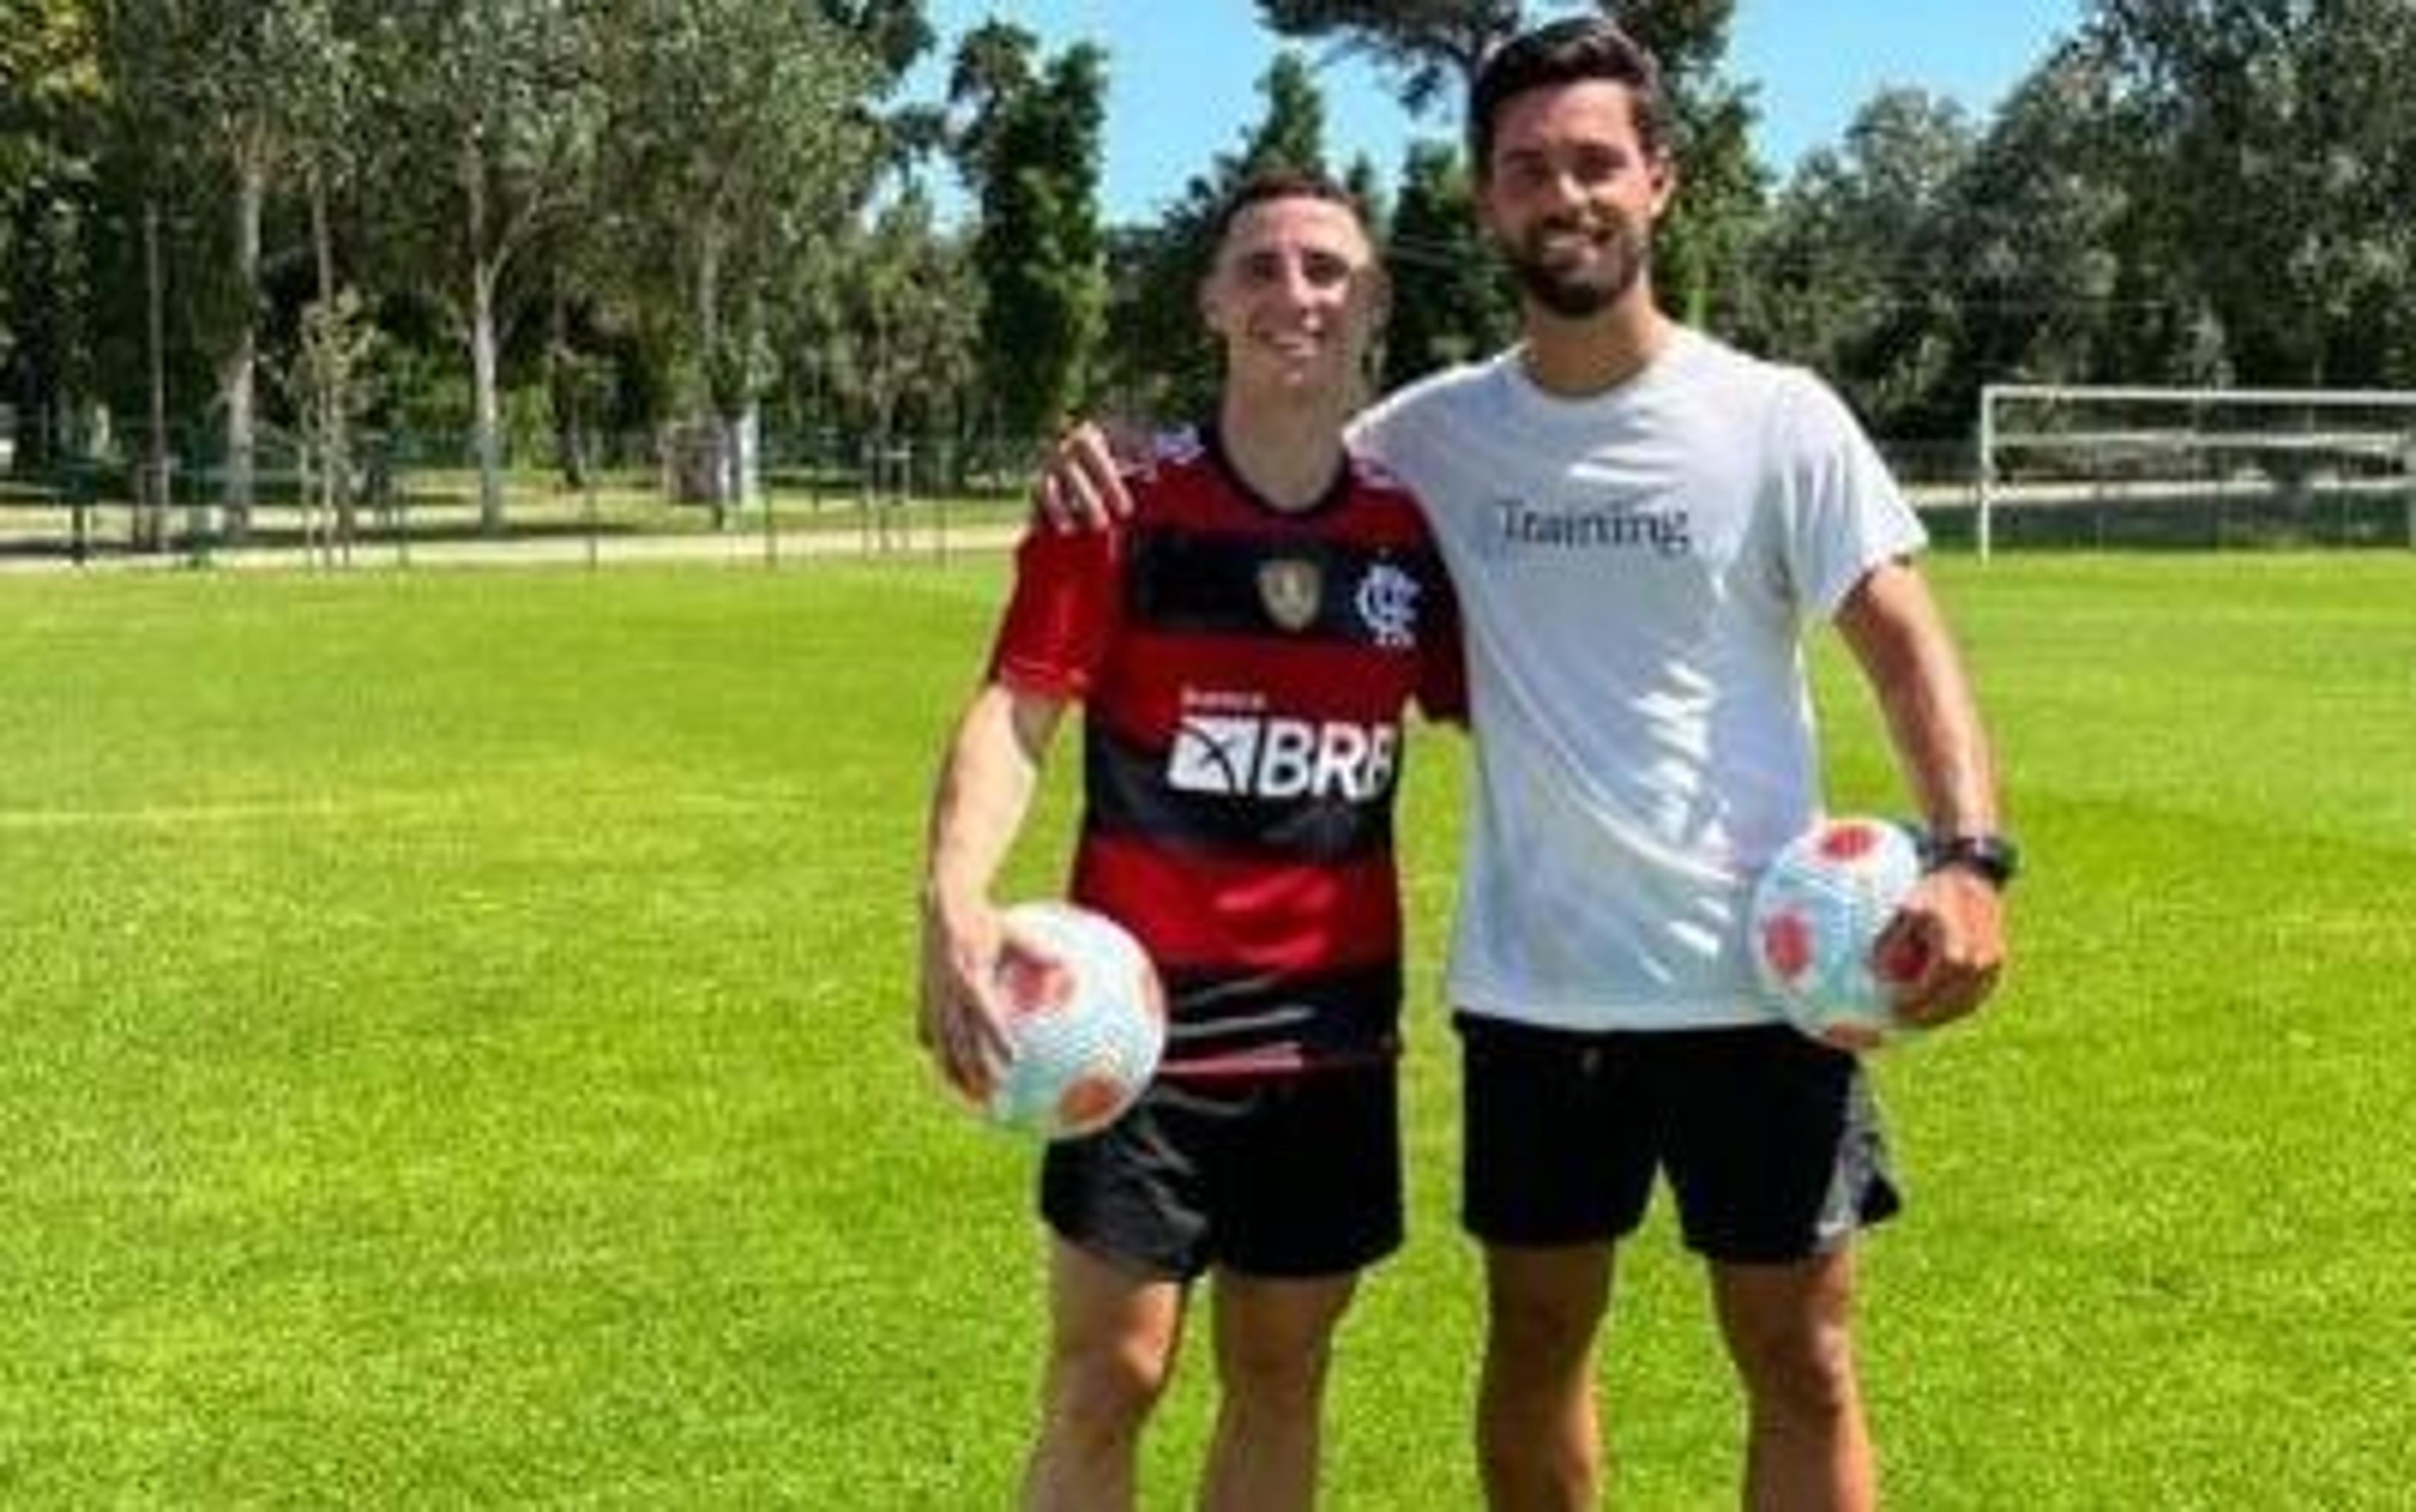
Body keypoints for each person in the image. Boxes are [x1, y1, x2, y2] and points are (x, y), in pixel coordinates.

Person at [1033, 19, 2013, 1511]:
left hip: (1768, 977)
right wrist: (1102, 450)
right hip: (1537, 990)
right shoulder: (1431, 438)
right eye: (1527, 169)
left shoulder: (1776, 419)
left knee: (1804, 1352)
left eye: (1596, 162)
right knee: (1539, 1343)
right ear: (1489, 202)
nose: (1567, 194)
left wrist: (1968, 855)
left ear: (1662, 181)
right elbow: (1269, 447)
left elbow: (1902, 642)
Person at [917, 170, 1465, 1512]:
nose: (1299, 295)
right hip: (1135, 1026)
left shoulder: (1407, 534)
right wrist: (952, 897)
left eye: (1330, 270)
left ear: (1373, 305)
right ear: (1214, 300)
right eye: (1265, 268)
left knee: (1283, 1375)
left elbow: (1525, 713)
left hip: (1332, 1030)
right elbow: (1020, 708)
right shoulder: (1124, 506)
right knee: (1110, 1375)